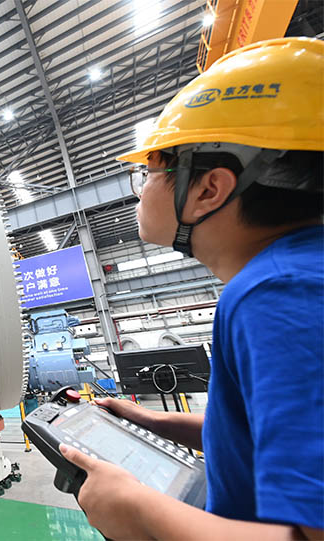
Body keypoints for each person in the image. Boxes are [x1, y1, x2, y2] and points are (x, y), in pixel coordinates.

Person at [59, 37, 323, 539]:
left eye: (149, 172)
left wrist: (137, 509)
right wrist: (150, 421)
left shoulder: (278, 295)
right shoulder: (293, 275)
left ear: (208, 189)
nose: (140, 190)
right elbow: (259, 432)